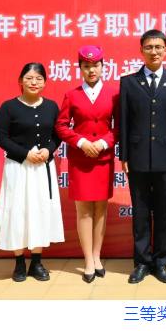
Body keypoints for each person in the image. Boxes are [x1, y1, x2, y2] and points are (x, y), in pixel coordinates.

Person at [119, 29, 166, 284]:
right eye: (149, 47)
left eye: (158, 47)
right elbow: (124, 121)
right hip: (137, 157)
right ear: (141, 50)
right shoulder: (129, 82)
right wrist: (124, 154)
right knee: (140, 212)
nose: (154, 52)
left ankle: (161, 262)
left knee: (163, 213)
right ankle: (142, 262)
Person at [0, 62, 64, 282]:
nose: (34, 82)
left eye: (39, 79)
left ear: (45, 82)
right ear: (20, 81)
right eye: (29, 78)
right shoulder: (8, 107)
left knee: (40, 211)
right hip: (18, 167)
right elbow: (0, 137)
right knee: (18, 211)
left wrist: (49, 149)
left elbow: (58, 135)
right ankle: (19, 263)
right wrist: (25, 154)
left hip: (43, 167)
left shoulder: (51, 107)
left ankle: (36, 262)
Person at [55, 46, 119, 283]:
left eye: (95, 65)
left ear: (103, 66)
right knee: (83, 210)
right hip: (81, 159)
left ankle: (97, 256)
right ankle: (88, 261)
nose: (91, 70)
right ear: (80, 68)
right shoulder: (72, 95)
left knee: (101, 209)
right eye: (86, 66)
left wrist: (102, 143)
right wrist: (81, 142)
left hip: (103, 158)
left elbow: (120, 126)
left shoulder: (114, 94)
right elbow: (61, 126)